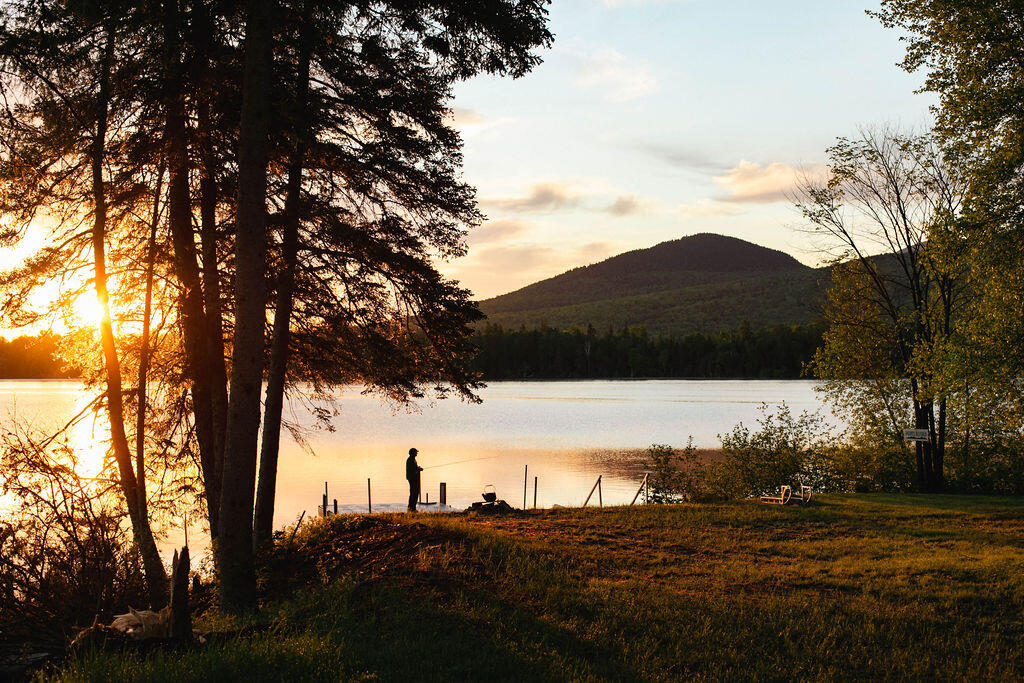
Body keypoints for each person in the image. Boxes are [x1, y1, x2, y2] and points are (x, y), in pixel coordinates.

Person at [406, 447, 423, 512]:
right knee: (414, 493)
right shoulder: (410, 460)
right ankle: (412, 508)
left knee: (414, 493)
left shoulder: (412, 459)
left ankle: (412, 507)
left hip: (413, 478)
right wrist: (418, 469)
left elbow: (414, 467)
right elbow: (412, 469)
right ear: (413, 453)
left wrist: (418, 468)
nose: (417, 453)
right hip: (412, 478)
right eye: (416, 452)